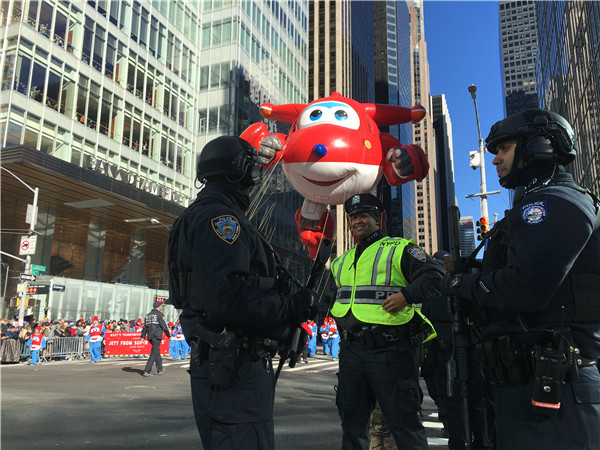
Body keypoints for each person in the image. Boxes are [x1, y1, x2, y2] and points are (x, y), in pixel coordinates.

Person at [443, 109, 600, 450]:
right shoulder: (538, 203)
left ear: (539, 147)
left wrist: (461, 285)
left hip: (557, 390)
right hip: (531, 385)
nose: (496, 159)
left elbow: (524, 289)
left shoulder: (553, 203)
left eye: (505, 148)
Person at [167, 135, 315, 449]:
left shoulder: (203, 215)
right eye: (251, 169)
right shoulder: (222, 220)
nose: (254, 179)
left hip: (226, 365)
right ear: (237, 172)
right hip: (236, 371)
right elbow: (229, 301)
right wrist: (291, 305)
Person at [330, 193, 444, 450]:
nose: (357, 221)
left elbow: (436, 274)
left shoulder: (400, 248)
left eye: (363, 216)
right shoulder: (341, 261)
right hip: (351, 352)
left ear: (378, 219)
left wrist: (406, 295)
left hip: (390, 352)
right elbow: (336, 298)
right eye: (353, 217)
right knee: (351, 425)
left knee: (405, 424)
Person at [422, 251, 492, 450]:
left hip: (469, 349)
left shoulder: (464, 284)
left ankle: (481, 442)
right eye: (443, 263)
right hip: (443, 353)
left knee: (476, 400)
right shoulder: (432, 288)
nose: (446, 266)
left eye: (448, 262)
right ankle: (461, 442)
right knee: (453, 402)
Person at [140, 301, 170, 376]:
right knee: (154, 353)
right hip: (157, 336)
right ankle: (147, 370)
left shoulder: (147, 316)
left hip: (150, 336)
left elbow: (145, 328)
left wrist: (143, 337)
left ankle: (160, 369)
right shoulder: (160, 315)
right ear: (159, 307)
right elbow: (164, 326)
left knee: (156, 352)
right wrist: (169, 336)